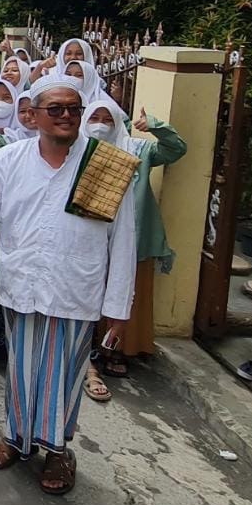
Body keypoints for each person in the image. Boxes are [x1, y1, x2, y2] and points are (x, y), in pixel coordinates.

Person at [0, 75, 137, 495]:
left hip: (75, 287)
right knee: (21, 370)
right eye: (54, 109)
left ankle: (58, 451)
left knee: (63, 375)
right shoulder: (11, 159)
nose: (65, 116)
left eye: (72, 109)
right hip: (22, 281)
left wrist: (118, 305)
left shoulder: (105, 163)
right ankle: (16, 439)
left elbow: (124, 236)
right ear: (35, 115)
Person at [79, 101, 186, 400]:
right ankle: (87, 363)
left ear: (117, 124)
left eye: (107, 120)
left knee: (126, 297)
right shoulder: (77, 153)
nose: (100, 125)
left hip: (133, 239)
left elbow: (175, 150)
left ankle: (116, 351)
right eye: (94, 118)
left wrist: (155, 125)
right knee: (87, 298)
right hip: (90, 241)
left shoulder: (137, 150)